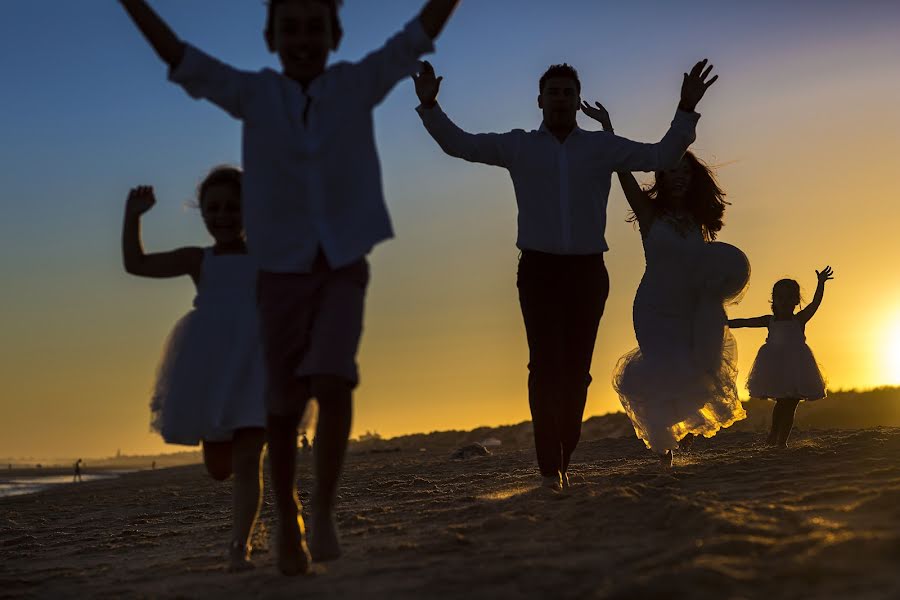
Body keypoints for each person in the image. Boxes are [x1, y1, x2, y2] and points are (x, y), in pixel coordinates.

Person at [118, 0, 462, 575]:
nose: (302, 39)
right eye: (290, 28)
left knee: (334, 379)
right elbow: (180, 58)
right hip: (278, 271)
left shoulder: (356, 83)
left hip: (341, 261)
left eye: (313, 27)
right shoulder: (254, 94)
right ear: (270, 37)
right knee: (281, 405)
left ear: (336, 34)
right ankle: (285, 520)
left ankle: (322, 508)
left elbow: (416, 33)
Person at [413, 59, 716, 488]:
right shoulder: (519, 146)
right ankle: (548, 467)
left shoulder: (600, 148)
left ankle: (564, 453)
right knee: (543, 367)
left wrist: (685, 109)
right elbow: (459, 144)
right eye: (552, 93)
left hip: (587, 272)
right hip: (538, 270)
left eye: (567, 93)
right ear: (540, 101)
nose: (559, 99)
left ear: (576, 100)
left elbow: (661, 155)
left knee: (576, 372)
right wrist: (429, 106)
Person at [582, 100, 749, 467]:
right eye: (672, 170)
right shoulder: (648, 213)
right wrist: (606, 126)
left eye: (685, 174)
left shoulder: (699, 219)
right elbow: (621, 169)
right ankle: (666, 455)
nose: (679, 177)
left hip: (692, 306)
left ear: (692, 181)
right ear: (662, 174)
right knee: (662, 370)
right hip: (655, 307)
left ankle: (679, 438)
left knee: (695, 373)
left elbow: (714, 262)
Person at [122, 168, 266, 571]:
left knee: (249, 458)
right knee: (221, 468)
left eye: (233, 207)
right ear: (201, 212)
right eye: (214, 208)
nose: (223, 216)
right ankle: (253, 530)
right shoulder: (197, 260)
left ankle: (241, 545)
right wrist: (133, 215)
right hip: (210, 368)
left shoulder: (266, 255)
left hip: (257, 362)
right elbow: (136, 264)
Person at [729, 268, 833, 447]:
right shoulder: (770, 320)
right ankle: (773, 435)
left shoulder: (800, 319)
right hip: (775, 366)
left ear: (796, 301)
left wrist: (821, 283)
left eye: (789, 298)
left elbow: (816, 303)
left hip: (798, 366)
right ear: (774, 300)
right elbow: (744, 322)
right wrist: (724, 322)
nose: (784, 302)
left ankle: (781, 441)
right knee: (781, 403)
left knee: (791, 404)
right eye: (780, 298)